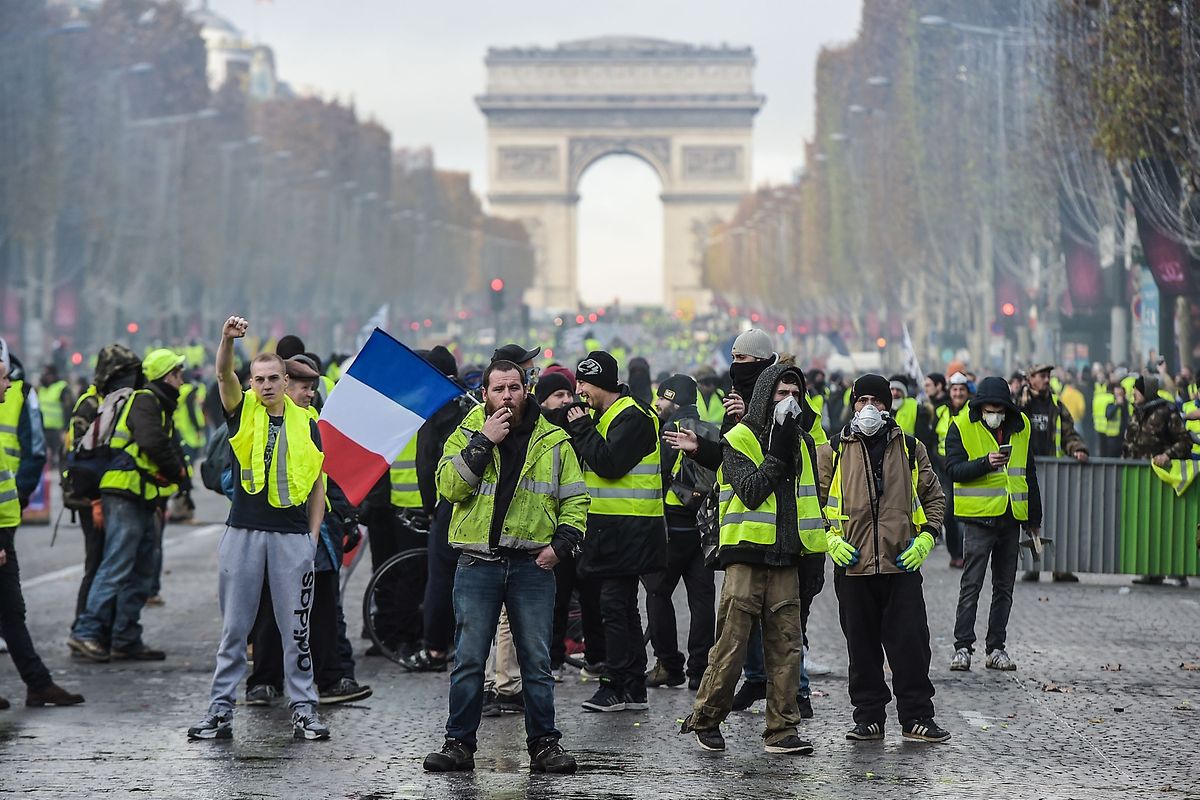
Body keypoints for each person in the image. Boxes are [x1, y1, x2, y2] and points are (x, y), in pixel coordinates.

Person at [422, 359, 587, 774]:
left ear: (526, 389)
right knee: (469, 661)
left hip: (532, 565)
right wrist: (483, 441)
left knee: (536, 663)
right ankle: (458, 745)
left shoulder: (553, 439)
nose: (508, 396)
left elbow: (575, 498)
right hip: (478, 563)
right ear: (485, 394)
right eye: (499, 389)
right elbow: (449, 487)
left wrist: (560, 547)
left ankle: (544, 744)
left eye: (514, 387)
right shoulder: (467, 432)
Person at [187, 316, 330, 741]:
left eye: (273, 379)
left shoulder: (308, 424)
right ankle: (220, 710)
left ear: (286, 382)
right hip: (244, 533)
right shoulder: (242, 410)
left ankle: (304, 709)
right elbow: (222, 374)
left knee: (296, 631)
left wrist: (312, 536)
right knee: (234, 629)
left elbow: (318, 485)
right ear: (250, 383)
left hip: (292, 538)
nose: (265, 385)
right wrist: (226, 341)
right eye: (258, 379)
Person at [678, 362, 820, 755]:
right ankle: (707, 718)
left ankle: (782, 729)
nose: (789, 401)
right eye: (782, 394)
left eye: (796, 395)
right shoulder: (739, 438)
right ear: (765, 396)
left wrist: (812, 559)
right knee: (731, 644)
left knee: (787, 645)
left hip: (786, 557)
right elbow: (752, 491)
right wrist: (777, 450)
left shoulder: (803, 441)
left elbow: (808, 502)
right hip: (746, 555)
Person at [818, 374, 950, 743]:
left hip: (900, 565)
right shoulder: (833, 450)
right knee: (861, 649)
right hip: (853, 567)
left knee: (911, 645)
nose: (869, 409)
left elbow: (935, 498)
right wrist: (830, 539)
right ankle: (869, 718)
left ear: (887, 406)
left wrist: (926, 538)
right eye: (862, 401)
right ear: (853, 405)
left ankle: (917, 717)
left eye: (876, 402)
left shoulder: (910, 448)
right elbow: (813, 503)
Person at [245, 357, 371, 706]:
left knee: (324, 610)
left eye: (313, 387)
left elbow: (325, 480)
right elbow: (233, 475)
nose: (310, 393)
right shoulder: (256, 421)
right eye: (304, 387)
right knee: (271, 610)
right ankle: (264, 681)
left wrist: (343, 516)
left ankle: (329, 680)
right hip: (274, 530)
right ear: (285, 385)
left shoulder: (313, 423)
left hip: (318, 534)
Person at [69, 349, 189, 662]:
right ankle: (86, 631)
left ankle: (125, 637)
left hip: (142, 494)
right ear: (167, 376)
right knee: (117, 565)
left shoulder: (157, 403)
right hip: (124, 492)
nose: (182, 380)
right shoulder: (146, 400)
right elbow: (151, 442)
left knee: (142, 569)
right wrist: (178, 471)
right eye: (178, 374)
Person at [567, 350, 665, 713]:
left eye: (584, 384)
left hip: (631, 529)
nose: (579, 392)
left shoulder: (633, 416)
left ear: (603, 383)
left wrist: (581, 428)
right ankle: (633, 686)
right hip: (613, 529)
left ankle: (615, 684)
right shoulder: (605, 415)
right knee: (622, 607)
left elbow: (608, 464)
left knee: (614, 607)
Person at [0, 355, 85, 710]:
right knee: (11, 610)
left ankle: (38, 684)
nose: (9, 384)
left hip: (5, 528)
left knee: (11, 612)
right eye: (3, 378)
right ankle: (39, 683)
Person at [946, 377, 1042, 673]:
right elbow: (953, 470)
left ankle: (996, 648)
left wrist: (1034, 520)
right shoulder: (961, 425)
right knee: (971, 586)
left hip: (1011, 517)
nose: (995, 415)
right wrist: (985, 463)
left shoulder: (1021, 426)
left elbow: (1029, 472)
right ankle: (963, 648)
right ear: (980, 408)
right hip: (978, 519)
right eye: (989, 410)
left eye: (999, 410)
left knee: (1004, 588)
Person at [643, 374, 716, 691]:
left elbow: (656, 476)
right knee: (702, 599)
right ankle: (700, 670)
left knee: (658, 594)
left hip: (671, 527)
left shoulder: (666, 432)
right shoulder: (712, 431)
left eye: (662, 397)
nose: (658, 403)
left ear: (673, 400)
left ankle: (668, 665)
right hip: (704, 527)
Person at [536, 371, 607, 679]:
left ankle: (596, 659)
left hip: (585, 522)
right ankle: (552, 660)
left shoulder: (581, 425)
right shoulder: (542, 430)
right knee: (557, 598)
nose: (567, 401)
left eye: (569, 395)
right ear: (543, 401)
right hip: (555, 526)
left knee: (592, 597)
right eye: (559, 396)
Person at [1018, 364, 1087, 583]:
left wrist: (1077, 449)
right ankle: (1033, 567)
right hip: (1026, 472)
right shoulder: (1019, 404)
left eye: (1048, 376)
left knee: (1058, 520)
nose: (1047, 379)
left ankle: (1060, 568)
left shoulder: (1056, 405)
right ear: (1031, 379)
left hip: (1054, 473)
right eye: (1042, 376)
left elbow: (1069, 433)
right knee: (1031, 521)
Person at [1123, 375, 1195, 587]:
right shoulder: (1137, 411)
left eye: (1137, 390)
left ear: (1146, 391)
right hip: (1140, 482)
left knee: (1170, 527)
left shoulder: (1166, 412)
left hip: (1165, 481)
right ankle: (1150, 570)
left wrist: (1167, 455)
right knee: (1145, 528)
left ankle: (1178, 571)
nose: (1133, 393)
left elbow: (1185, 441)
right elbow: (1129, 443)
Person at [36, 365, 72, 468]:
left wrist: (65, 429)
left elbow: (68, 409)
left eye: (48, 374)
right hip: (43, 429)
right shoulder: (40, 388)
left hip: (58, 429)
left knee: (60, 454)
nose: (45, 376)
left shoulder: (62, 388)